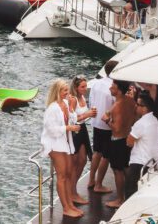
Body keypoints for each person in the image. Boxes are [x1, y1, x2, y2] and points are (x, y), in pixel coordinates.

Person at [40, 79, 83, 219]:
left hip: (64, 143)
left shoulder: (65, 103)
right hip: (54, 144)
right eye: (65, 90)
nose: (68, 92)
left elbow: (72, 119)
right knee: (62, 175)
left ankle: (70, 204)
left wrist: (71, 107)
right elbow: (51, 129)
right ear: (58, 92)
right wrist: (69, 128)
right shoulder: (52, 108)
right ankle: (65, 208)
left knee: (69, 173)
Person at [103, 80, 138, 209]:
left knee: (118, 170)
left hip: (118, 140)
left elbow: (116, 129)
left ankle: (120, 199)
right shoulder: (131, 101)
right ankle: (129, 195)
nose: (110, 87)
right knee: (126, 168)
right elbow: (135, 118)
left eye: (113, 86)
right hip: (127, 138)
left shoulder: (117, 105)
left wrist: (107, 120)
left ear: (118, 89)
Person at [87, 60, 118, 194]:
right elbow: (116, 106)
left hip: (96, 122)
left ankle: (91, 179)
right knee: (106, 155)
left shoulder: (96, 84)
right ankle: (99, 184)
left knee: (97, 152)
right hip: (107, 124)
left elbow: (91, 102)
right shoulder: (113, 87)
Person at [125, 92, 158, 200]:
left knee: (130, 192)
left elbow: (129, 142)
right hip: (150, 163)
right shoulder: (154, 120)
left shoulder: (141, 123)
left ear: (144, 108)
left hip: (139, 163)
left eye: (138, 104)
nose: (135, 106)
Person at [68, 76, 97, 205]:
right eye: (82, 87)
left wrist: (90, 114)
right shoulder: (73, 99)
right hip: (75, 131)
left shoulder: (82, 97)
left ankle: (72, 190)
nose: (85, 89)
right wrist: (88, 114)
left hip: (82, 129)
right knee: (75, 162)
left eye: (86, 86)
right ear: (76, 88)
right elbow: (72, 119)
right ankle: (72, 192)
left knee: (83, 160)